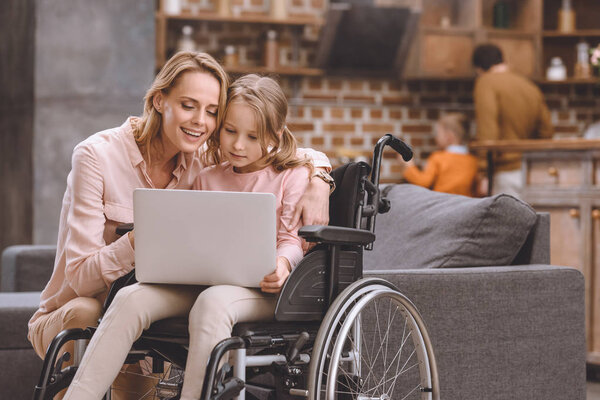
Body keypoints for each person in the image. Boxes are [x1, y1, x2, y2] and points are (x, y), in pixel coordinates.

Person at [28, 52, 332, 399]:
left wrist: (320, 178)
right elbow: (81, 277)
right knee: (128, 299)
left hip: (252, 287)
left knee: (213, 301)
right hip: (102, 299)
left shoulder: (210, 155)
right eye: (189, 105)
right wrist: (140, 243)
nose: (203, 123)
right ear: (160, 100)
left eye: (212, 112)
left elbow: (286, 154)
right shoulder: (113, 158)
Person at [472, 43, 554, 198]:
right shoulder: (529, 86)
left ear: (479, 69)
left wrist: (483, 173)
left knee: (507, 221)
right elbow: (546, 131)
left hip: (504, 171)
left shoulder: (486, 82)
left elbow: (488, 131)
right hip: (532, 171)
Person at [402, 113, 478, 197]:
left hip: (441, 203)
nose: (436, 138)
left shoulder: (438, 157)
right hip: (464, 204)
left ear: (449, 136)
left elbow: (424, 182)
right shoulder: (473, 161)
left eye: (438, 134)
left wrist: (409, 165)